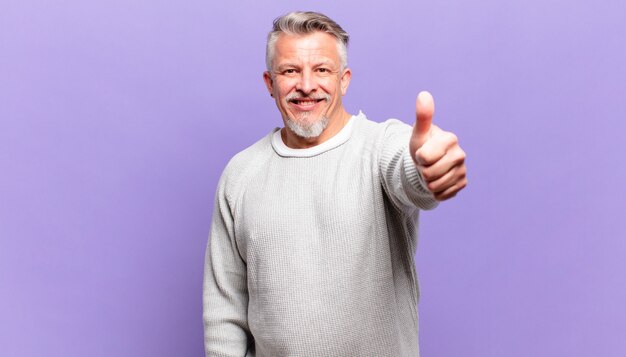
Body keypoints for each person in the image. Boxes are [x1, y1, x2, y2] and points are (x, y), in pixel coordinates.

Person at [203, 11, 467, 357]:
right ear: (270, 83)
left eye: (322, 70)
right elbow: (225, 310)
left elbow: (408, 173)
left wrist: (428, 170)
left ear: (344, 80)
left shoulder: (380, 146)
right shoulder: (240, 174)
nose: (307, 85)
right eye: (290, 71)